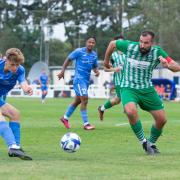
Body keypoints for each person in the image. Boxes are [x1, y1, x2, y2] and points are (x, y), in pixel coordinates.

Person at [104, 31, 180, 155]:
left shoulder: (157, 52)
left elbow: (176, 67)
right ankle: (144, 142)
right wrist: (106, 62)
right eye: (141, 42)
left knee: (162, 119)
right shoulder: (130, 46)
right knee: (130, 111)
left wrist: (167, 66)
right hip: (128, 87)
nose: (142, 45)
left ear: (152, 43)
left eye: (146, 43)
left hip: (147, 89)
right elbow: (112, 44)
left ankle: (151, 143)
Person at [57, 37, 100, 130]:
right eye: (89, 42)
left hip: (86, 81)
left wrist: (97, 71)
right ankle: (86, 124)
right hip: (79, 79)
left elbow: (95, 66)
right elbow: (68, 59)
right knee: (85, 99)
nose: (91, 44)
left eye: (93, 42)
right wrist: (62, 71)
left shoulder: (94, 55)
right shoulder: (79, 51)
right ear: (86, 42)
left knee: (78, 101)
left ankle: (65, 118)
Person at [0, 48, 33, 160]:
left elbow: (23, 83)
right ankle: (12, 146)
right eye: (12, 64)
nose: (15, 68)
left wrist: (27, 89)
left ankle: (16, 148)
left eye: (17, 65)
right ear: (6, 61)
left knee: (15, 114)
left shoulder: (20, 70)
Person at [98, 35, 126, 121]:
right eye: (119, 42)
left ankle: (102, 108)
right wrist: (114, 69)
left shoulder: (128, 54)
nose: (121, 44)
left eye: (122, 42)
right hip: (119, 81)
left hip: (128, 81)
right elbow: (105, 69)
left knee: (117, 100)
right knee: (124, 99)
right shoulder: (113, 56)